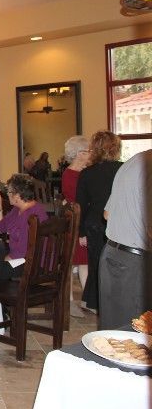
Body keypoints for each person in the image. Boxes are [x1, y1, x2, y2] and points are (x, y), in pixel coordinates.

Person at [99, 150, 152, 330]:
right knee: (135, 333)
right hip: (138, 263)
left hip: (112, 254)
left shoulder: (133, 161)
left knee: (113, 332)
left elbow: (107, 214)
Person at [76, 130, 122, 312]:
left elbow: (80, 205)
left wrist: (81, 232)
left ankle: (95, 303)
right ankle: (115, 302)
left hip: (94, 224)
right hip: (118, 222)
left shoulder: (87, 173)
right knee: (117, 264)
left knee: (96, 264)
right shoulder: (123, 169)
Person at [0, 173, 48, 279]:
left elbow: (22, 251)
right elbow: (0, 227)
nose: (7, 194)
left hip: (33, 263)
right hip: (22, 257)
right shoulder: (17, 209)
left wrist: (4, 260)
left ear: (17, 196)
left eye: (9, 192)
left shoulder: (32, 215)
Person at [61, 135, 91, 317]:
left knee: (85, 261)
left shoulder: (84, 172)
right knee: (72, 262)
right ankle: (70, 301)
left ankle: (87, 300)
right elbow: (77, 202)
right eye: (88, 151)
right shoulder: (71, 174)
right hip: (76, 223)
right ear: (80, 153)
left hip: (83, 221)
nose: (90, 154)